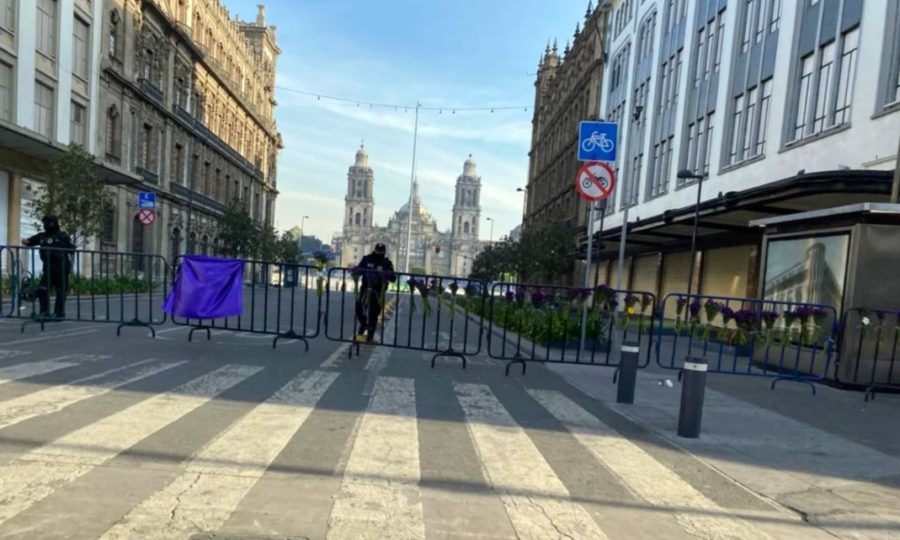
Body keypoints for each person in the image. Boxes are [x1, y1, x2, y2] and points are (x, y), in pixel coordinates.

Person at [22, 216, 75, 319]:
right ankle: (44, 312)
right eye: (44, 223)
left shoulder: (62, 235)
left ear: (53, 223)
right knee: (43, 289)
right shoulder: (42, 236)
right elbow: (29, 242)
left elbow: (72, 249)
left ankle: (59, 314)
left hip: (62, 267)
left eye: (47, 223)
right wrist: (24, 241)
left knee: (60, 291)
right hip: (48, 267)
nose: (45, 225)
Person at [353, 242, 396, 342]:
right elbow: (359, 270)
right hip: (365, 289)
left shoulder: (387, 263)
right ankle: (364, 324)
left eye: (381, 252)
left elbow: (393, 278)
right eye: (378, 251)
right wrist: (355, 272)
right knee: (359, 308)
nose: (379, 253)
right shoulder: (366, 259)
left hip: (378, 292)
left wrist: (386, 275)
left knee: (374, 313)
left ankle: (370, 334)